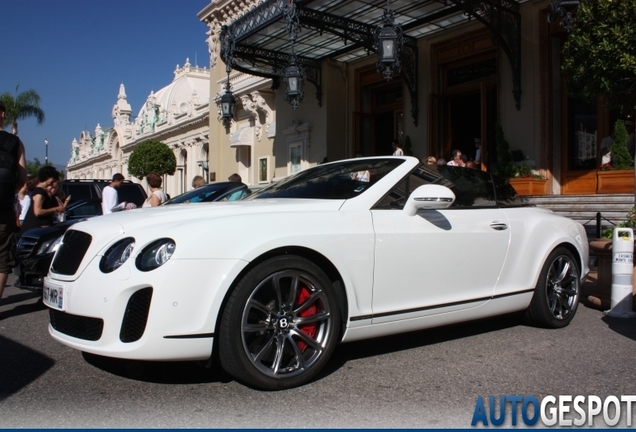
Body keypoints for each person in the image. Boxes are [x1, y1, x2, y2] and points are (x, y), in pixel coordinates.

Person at [0, 100, 27, 307]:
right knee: (1, 260)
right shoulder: (14, 142)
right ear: (3, 115)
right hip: (3, 210)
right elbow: (22, 179)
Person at [20, 166, 67, 233]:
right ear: (47, 177)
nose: (53, 182)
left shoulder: (46, 192)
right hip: (35, 229)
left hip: (43, 228)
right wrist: (56, 209)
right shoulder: (39, 192)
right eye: (52, 179)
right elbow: (38, 212)